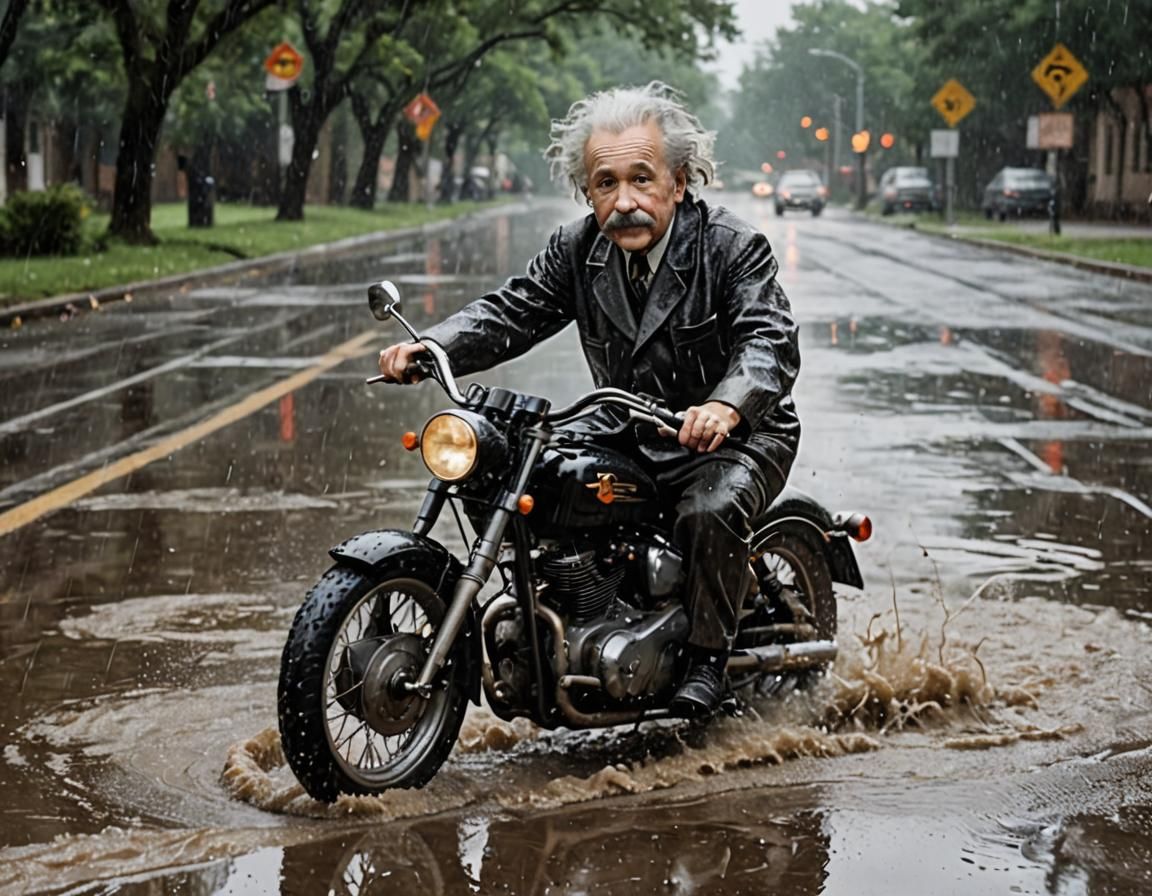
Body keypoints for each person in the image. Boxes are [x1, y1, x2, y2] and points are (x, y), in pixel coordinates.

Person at [378, 82, 800, 717]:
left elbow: (769, 341)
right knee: (531, 471)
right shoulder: (579, 249)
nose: (624, 201)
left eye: (641, 179)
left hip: (739, 434)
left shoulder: (730, 247)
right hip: (628, 425)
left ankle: (707, 660)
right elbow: (513, 310)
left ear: (678, 182)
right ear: (587, 191)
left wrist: (727, 405)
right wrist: (433, 346)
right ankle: (564, 618)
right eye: (607, 183)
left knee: (709, 509)